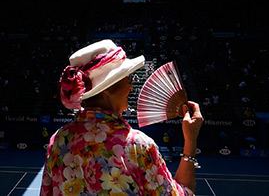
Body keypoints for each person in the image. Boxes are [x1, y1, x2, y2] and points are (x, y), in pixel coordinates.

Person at [40, 40, 203, 195]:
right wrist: (190, 140)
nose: (132, 86)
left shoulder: (58, 141)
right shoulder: (138, 146)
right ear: (108, 89)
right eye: (128, 78)